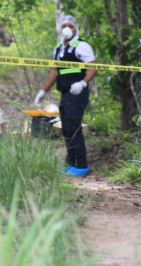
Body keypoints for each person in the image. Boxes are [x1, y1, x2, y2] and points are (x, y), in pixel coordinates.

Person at [34, 15, 97, 177]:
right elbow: (55, 71)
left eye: (71, 26)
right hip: (65, 93)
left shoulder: (81, 46)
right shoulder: (59, 48)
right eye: (64, 26)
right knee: (66, 129)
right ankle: (70, 164)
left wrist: (83, 83)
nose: (67, 29)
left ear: (76, 28)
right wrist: (43, 91)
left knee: (74, 126)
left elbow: (93, 68)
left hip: (78, 92)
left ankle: (81, 165)